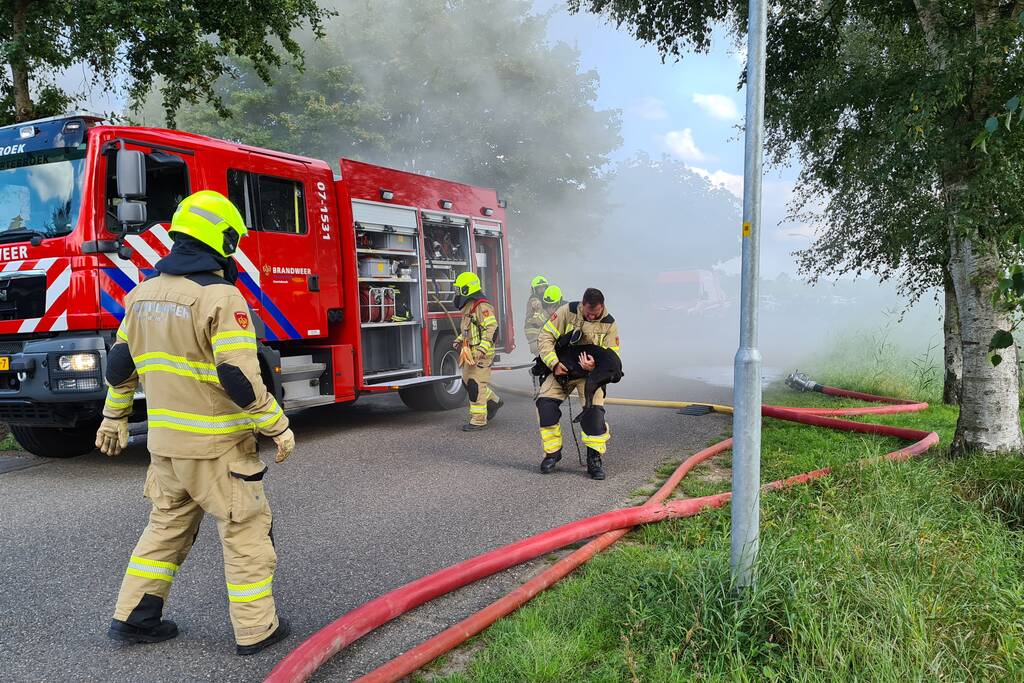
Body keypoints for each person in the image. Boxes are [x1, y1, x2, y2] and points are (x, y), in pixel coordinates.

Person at [96, 190, 295, 655]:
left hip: (166, 449)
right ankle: (257, 630)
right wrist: (277, 426)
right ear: (224, 240)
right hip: (218, 449)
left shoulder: (141, 295)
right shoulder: (220, 297)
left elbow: (120, 366)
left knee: (165, 530)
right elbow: (238, 376)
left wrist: (113, 416)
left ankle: (134, 617)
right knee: (246, 534)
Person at [535, 287, 620, 480]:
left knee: (593, 414)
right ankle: (552, 454)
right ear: (582, 304)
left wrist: (594, 366)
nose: (592, 317)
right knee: (545, 405)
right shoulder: (567, 311)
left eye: (596, 313)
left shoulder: (609, 324)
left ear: (602, 306)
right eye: (589, 313)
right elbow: (545, 337)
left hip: (590, 376)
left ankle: (594, 459)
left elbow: (613, 358)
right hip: (562, 369)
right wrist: (554, 364)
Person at [453, 271, 503, 431]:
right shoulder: (470, 306)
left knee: (475, 384)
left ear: (467, 289)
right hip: (471, 353)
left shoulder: (482, 307)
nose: (457, 293)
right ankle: (493, 401)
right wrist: (459, 339)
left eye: (459, 289)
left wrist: (482, 348)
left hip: (482, 353)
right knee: (467, 381)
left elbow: (492, 328)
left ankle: (478, 420)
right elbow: (468, 329)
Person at [523, 275, 549, 355]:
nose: (543, 290)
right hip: (537, 340)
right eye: (540, 288)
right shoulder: (535, 301)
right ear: (535, 290)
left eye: (544, 288)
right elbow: (537, 321)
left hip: (539, 339)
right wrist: (549, 312)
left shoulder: (542, 301)